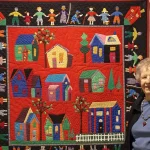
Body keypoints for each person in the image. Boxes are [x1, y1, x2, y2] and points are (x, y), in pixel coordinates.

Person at [124, 57, 150, 150]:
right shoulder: (136, 106)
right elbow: (128, 140)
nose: (148, 81)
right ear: (139, 80)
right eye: (144, 77)